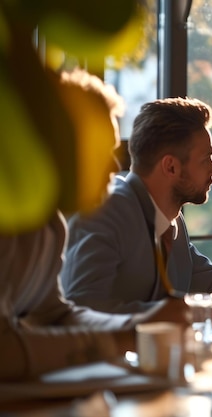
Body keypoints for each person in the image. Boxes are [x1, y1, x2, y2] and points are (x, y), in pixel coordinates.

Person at [0, 69, 189, 381]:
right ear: (53, 145)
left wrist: (138, 326)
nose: (115, 166)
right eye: (100, 150)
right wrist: (117, 340)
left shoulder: (50, 225)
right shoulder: (7, 224)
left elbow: (55, 315)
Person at [61, 97, 212, 331]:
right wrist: (201, 314)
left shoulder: (171, 222)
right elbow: (84, 308)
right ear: (170, 167)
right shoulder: (105, 212)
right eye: (205, 159)